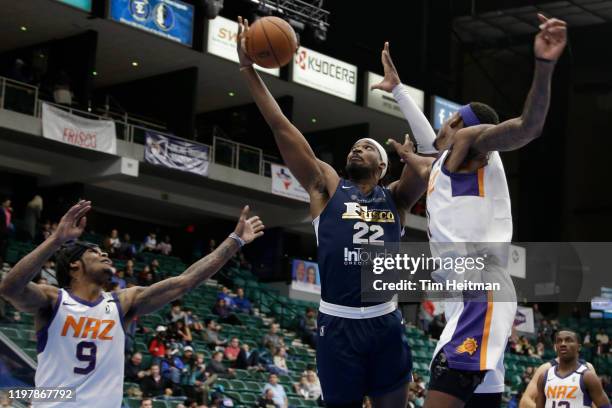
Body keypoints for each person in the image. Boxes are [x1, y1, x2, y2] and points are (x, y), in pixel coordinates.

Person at [372, 14, 567, 408]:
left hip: (481, 291)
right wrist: (399, 93)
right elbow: (429, 152)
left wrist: (544, 66)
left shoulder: (470, 144)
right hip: (467, 297)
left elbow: (528, 127)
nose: (444, 126)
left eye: (451, 120)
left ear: (459, 121)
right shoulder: (445, 166)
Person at [238, 16, 416, 407]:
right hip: (338, 323)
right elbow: (281, 126)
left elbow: (431, 166)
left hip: (385, 321)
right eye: (355, 145)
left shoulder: (397, 197)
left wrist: (411, 150)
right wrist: (248, 70)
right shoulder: (327, 186)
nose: (357, 149)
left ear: (383, 167)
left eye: (368, 147)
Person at [0, 200, 264, 407]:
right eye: (95, 252)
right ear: (73, 265)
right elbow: (10, 287)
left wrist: (235, 241)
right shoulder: (54, 300)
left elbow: (185, 281)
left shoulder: (122, 303)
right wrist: (56, 240)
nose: (105, 254)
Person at [533, 330, 610, 408]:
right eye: (559, 341)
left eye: (568, 340)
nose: (563, 344)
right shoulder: (544, 376)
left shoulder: (588, 376)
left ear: (579, 347)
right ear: (555, 347)